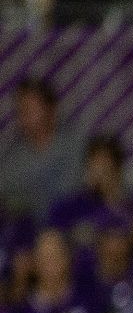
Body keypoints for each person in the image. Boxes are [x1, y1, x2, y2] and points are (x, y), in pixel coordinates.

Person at [0, 79, 87, 222]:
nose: (23, 116)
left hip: (77, 225)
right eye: (20, 110)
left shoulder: (76, 144)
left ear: (51, 108)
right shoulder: (12, 160)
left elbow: (77, 192)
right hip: (32, 233)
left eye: (29, 108)